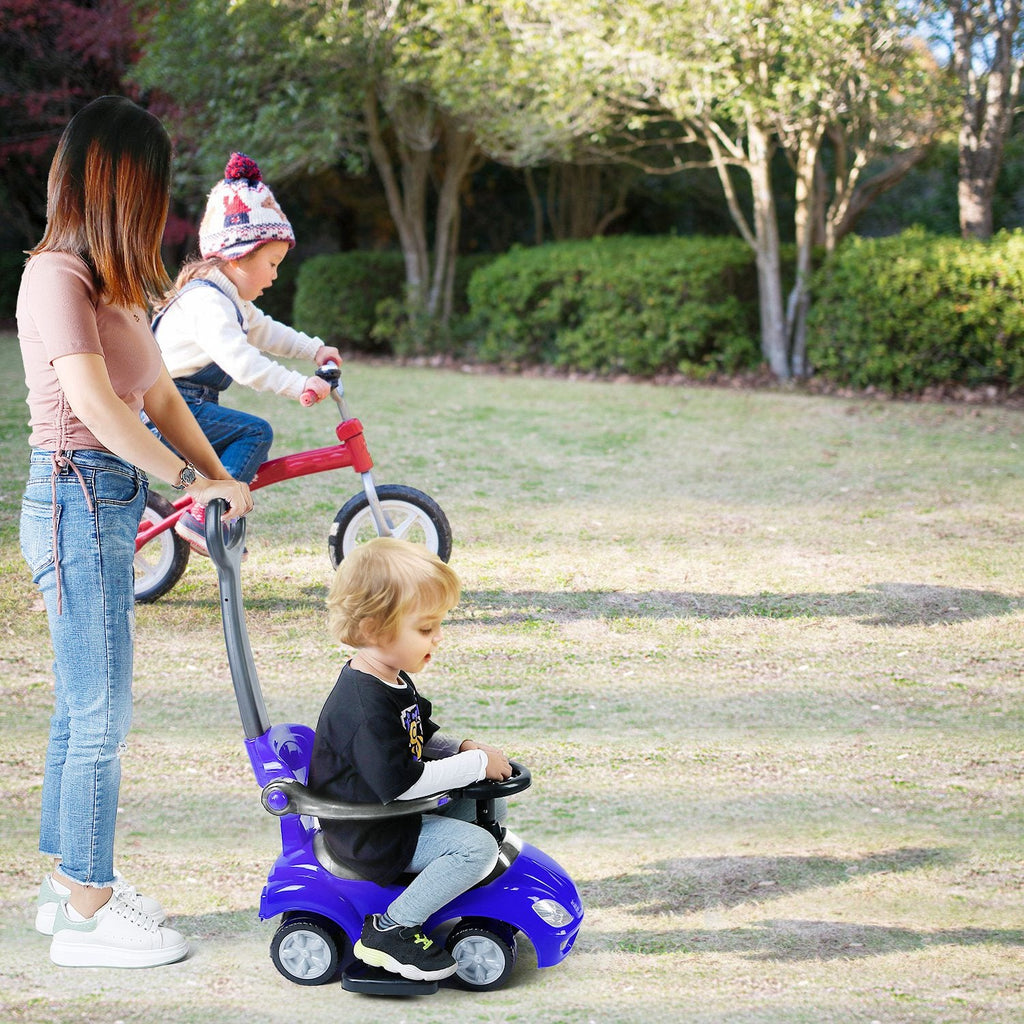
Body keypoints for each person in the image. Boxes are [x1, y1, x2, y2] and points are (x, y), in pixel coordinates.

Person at [17, 95, 253, 969]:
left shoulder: (113, 283)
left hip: (106, 506)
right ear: (120, 184)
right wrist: (191, 482)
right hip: (73, 498)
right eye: (154, 186)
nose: (164, 206)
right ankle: (88, 908)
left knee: (84, 710)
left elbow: (158, 400)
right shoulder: (56, 278)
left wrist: (218, 479)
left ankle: (65, 889)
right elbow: (94, 407)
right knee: (99, 713)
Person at [308, 539, 513, 982]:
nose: (437, 637)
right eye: (425, 629)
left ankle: (455, 883)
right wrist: (475, 766)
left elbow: (422, 734)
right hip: (370, 833)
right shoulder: (363, 706)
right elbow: (402, 781)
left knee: (483, 805)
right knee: (475, 845)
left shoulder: (391, 679)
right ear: (373, 629)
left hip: (392, 817)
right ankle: (393, 927)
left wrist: (464, 749)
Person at [150, 151, 341, 556]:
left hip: (185, 405)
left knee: (243, 437)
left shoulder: (229, 297)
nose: (275, 274)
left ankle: (211, 509)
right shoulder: (208, 302)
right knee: (254, 432)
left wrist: (314, 349)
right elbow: (243, 363)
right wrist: (297, 385)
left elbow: (266, 331)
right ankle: (211, 515)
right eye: (271, 263)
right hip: (167, 408)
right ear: (239, 256)